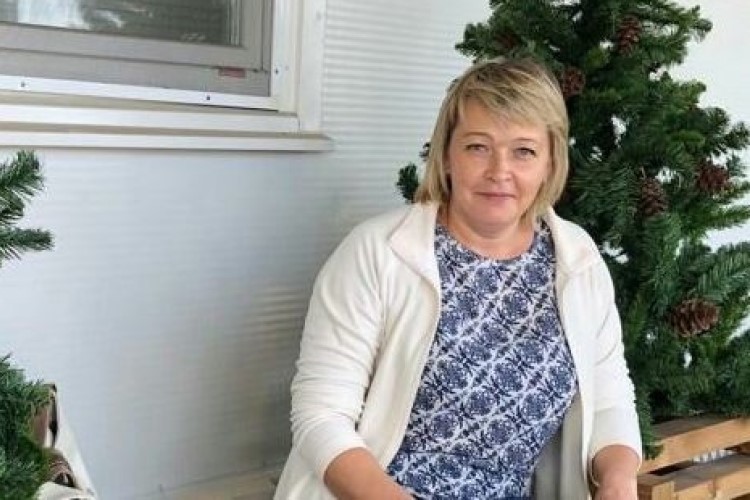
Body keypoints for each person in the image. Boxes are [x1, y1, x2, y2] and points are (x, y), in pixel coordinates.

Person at [273, 58, 642, 500]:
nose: (499, 171)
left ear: (550, 162)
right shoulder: (376, 252)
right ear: (447, 156)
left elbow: (609, 399)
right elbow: (320, 416)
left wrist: (619, 480)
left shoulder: (577, 258)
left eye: (524, 151)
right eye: (478, 147)